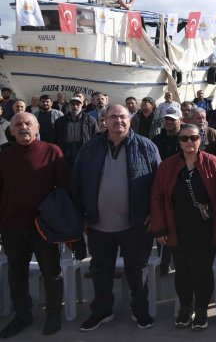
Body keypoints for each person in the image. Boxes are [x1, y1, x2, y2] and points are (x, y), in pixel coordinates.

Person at [71, 104, 162, 331]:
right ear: (104, 120)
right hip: (98, 224)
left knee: (137, 270)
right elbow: (77, 184)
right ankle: (102, 311)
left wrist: (154, 214)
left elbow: (159, 186)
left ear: (130, 120)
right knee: (100, 270)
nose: (118, 121)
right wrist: (81, 214)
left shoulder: (146, 147)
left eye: (122, 117)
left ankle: (139, 310)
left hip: (136, 223)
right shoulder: (90, 148)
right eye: (113, 117)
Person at [0, 113, 70, 337]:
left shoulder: (52, 151)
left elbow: (65, 190)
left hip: (44, 227)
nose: (23, 127)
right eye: (18, 124)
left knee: (51, 272)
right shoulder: (4, 156)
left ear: (37, 126)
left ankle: (53, 314)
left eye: (27, 123)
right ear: (11, 130)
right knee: (16, 274)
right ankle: (23, 314)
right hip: (12, 227)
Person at [150, 123, 216, 331]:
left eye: (193, 138)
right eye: (184, 139)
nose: (189, 142)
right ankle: (185, 307)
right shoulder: (167, 166)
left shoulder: (215, 163)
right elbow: (156, 197)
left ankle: (201, 309)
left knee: (201, 269)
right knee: (182, 270)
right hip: (177, 227)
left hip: (205, 228)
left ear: (201, 138)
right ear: (179, 142)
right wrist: (160, 228)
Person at [53, 92, 98, 169]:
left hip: (83, 152)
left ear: (82, 105)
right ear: (69, 106)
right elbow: (54, 138)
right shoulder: (60, 121)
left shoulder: (90, 120)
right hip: (65, 153)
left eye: (78, 104)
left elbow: (96, 138)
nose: (75, 106)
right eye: (72, 104)